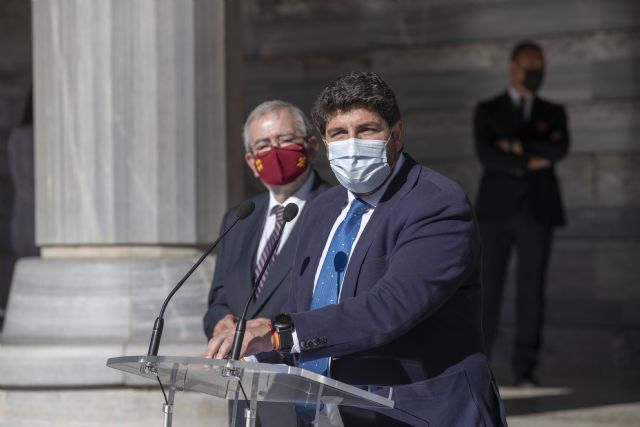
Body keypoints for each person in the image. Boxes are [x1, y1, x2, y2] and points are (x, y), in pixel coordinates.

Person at [205, 71, 507, 426]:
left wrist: (278, 335)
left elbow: (390, 307)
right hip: (331, 413)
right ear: (326, 143)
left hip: (420, 412)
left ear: (396, 135)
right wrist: (252, 352)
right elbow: (305, 306)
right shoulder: (322, 209)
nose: (352, 143)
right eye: (339, 133)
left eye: (366, 130)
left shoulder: (436, 204)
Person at [203, 100, 330, 426]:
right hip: (244, 393)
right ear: (250, 160)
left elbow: (335, 299)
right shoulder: (239, 217)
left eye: (285, 141)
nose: (274, 151)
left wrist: (270, 329)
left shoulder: (335, 210)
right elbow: (218, 297)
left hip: (302, 393)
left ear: (310, 146)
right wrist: (220, 322)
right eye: (262, 145)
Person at [473, 41, 569, 386]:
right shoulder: (488, 109)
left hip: (538, 211)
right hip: (495, 212)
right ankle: (479, 365)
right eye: (530, 65)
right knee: (488, 289)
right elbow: (488, 155)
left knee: (532, 288)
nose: (535, 72)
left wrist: (514, 147)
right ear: (513, 67)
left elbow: (559, 149)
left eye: (540, 65)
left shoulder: (553, 111)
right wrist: (532, 159)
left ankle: (525, 368)